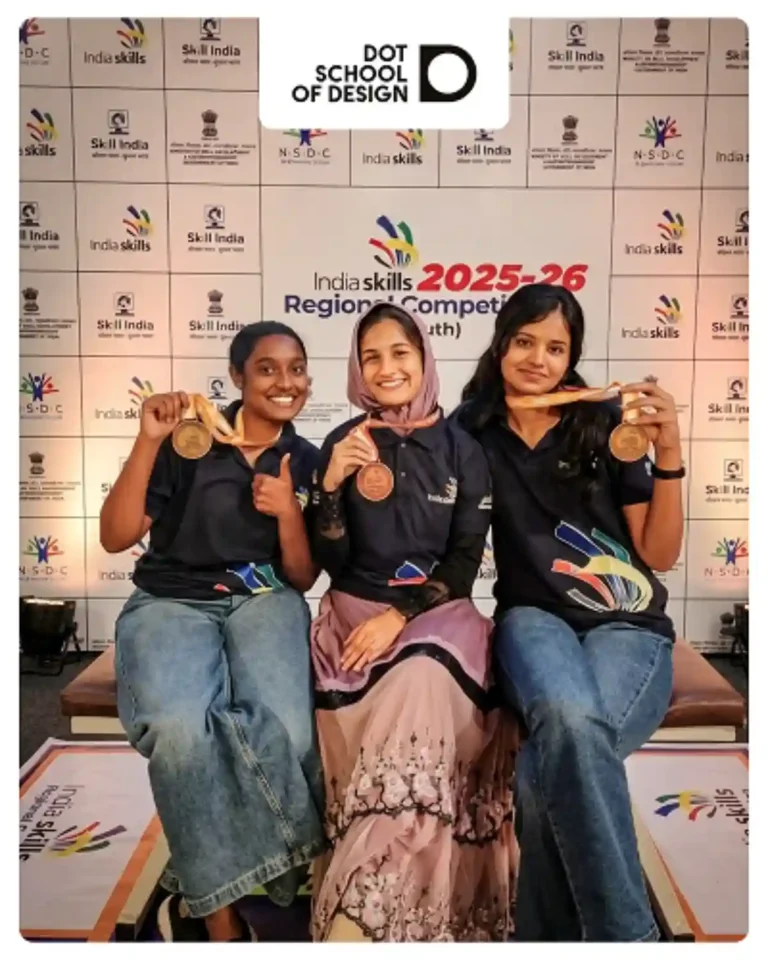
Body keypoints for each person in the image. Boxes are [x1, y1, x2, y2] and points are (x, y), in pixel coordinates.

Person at [455, 284, 684, 942]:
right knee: (566, 717)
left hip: (627, 623)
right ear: (500, 344)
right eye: (524, 341)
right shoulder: (471, 430)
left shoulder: (607, 420)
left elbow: (659, 555)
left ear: (572, 357)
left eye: (556, 348)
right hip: (533, 617)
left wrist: (668, 453)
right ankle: (628, 939)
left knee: (542, 775)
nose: (537, 359)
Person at [100, 321, 327, 942]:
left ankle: (253, 880)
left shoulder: (309, 460)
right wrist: (148, 441)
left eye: (297, 368)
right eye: (267, 368)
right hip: (171, 599)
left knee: (286, 726)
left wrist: (287, 514)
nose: (286, 382)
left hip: (266, 599)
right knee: (178, 733)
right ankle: (218, 916)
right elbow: (116, 536)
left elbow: (302, 576)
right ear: (236, 377)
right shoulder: (187, 442)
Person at [308, 302, 518, 943]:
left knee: (422, 676)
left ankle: (367, 912)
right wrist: (328, 491)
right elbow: (331, 561)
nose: (386, 367)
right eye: (371, 355)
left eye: (400, 352)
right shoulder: (343, 442)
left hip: (437, 615)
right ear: (357, 367)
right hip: (352, 611)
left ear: (424, 358)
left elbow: (461, 564)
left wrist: (400, 618)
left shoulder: (463, 450)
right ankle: (367, 898)